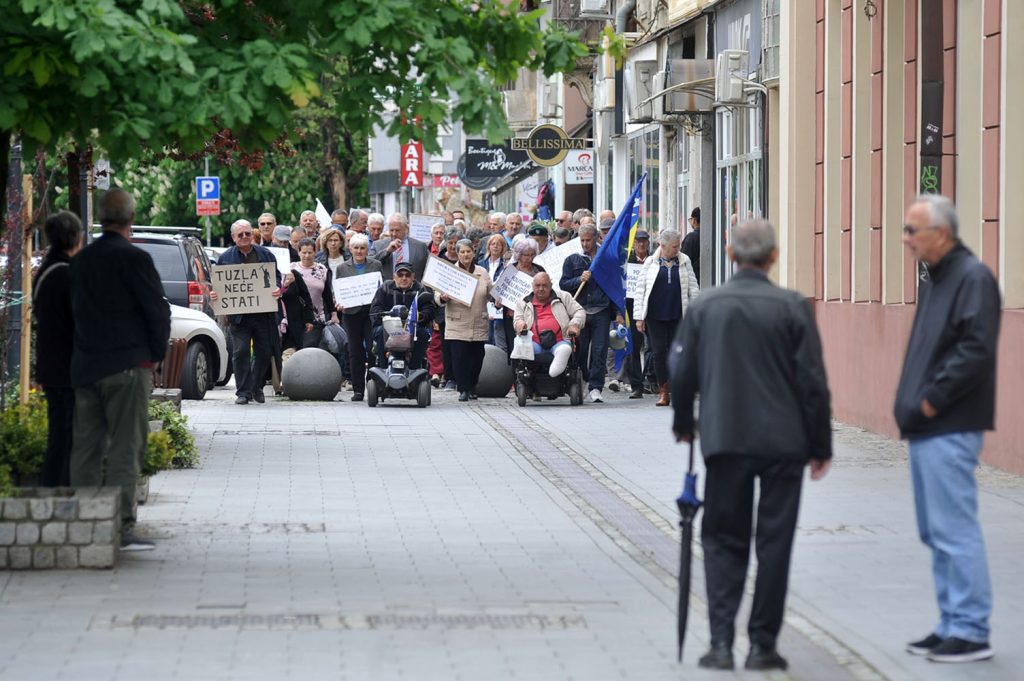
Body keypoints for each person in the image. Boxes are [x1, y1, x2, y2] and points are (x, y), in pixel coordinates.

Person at [670, 219, 832, 672]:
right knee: (775, 543)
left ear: (729, 253)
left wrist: (685, 422)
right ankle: (763, 644)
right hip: (785, 443)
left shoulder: (707, 306)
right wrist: (820, 444)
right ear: (773, 256)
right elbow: (812, 381)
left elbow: (681, 372)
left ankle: (721, 642)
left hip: (726, 439)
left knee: (723, 539)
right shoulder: (792, 306)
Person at [894, 195, 1001, 663]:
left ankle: (972, 628)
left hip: (950, 425)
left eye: (913, 231)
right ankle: (950, 622)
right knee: (935, 530)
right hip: (927, 427)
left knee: (954, 528)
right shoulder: (938, 278)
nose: (906, 240)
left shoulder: (972, 278)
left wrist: (932, 400)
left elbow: (975, 351)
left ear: (942, 233)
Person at [70, 189, 171, 551]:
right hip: (127, 365)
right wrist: (156, 355)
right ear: (130, 218)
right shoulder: (134, 258)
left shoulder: (80, 260)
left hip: (86, 365)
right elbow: (157, 311)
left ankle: (83, 520)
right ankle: (121, 524)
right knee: (126, 446)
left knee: (85, 445)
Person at [33, 210, 83, 487]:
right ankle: (58, 489)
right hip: (68, 367)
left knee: (59, 433)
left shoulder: (46, 272)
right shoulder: (66, 274)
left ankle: (52, 487)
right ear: (75, 238)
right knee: (66, 436)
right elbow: (80, 322)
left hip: (51, 364)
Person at [216, 219, 283, 405]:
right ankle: (243, 392)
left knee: (263, 352)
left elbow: (276, 277)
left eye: (247, 233)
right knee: (240, 351)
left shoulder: (266, 254)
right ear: (233, 237)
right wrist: (217, 295)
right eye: (240, 235)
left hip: (263, 315)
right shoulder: (225, 258)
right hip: (239, 317)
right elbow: (220, 285)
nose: (245, 237)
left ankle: (257, 387)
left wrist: (278, 288)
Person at [560, 224, 624, 403]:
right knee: (579, 350)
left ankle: (596, 387)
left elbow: (614, 289)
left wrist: (618, 312)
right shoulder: (572, 260)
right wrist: (578, 279)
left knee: (600, 349)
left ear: (596, 239)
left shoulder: (606, 260)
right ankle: (582, 378)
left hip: (601, 310)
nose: (585, 244)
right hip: (580, 311)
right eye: (582, 240)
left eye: (588, 240)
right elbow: (563, 284)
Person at [634, 229, 699, 406]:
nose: (677, 249)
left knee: (678, 351)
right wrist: (639, 317)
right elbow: (640, 290)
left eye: (678, 246)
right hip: (655, 315)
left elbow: (693, 288)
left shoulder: (684, 261)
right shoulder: (650, 262)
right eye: (674, 246)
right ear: (662, 246)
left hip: (678, 313)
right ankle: (664, 390)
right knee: (659, 352)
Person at [436, 239, 493, 401]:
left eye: (468, 251)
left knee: (477, 357)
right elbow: (437, 296)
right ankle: (463, 389)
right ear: (458, 254)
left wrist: (497, 298)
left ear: (473, 253)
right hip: (457, 322)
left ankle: (473, 385)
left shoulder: (482, 272)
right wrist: (443, 297)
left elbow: (490, 292)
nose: (466, 254)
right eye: (462, 252)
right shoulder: (450, 272)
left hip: (478, 321)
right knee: (459, 358)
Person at [335, 234, 383, 401]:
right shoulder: (342, 268)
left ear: (367, 249)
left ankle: (373, 385)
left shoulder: (376, 265)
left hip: (371, 313)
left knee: (373, 349)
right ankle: (358, 390)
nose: (359, 251)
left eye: (362, 248)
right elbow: (339, 291)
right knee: (355, 352)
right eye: (356, 248)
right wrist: (339, 303)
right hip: (351, 314)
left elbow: (381, 288)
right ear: (350, 249)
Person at [513, 273, 585, 378]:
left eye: (544, 285)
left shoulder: (563, 297)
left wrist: (574, 324)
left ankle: (554, 372)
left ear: (551, 285)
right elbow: (517, 319)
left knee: (565, 349)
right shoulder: (523, 302)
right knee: (520, 347)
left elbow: (579, 311)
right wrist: (519, 324)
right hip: (533, 342)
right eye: (537, 285)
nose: (541, 289)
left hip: (559, 341)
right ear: (532, 286)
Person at [369, 261, 435, 371]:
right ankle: (383, 367)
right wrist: (387, 316)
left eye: (407, 275)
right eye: (400, 275)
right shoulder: (385, 288)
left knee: (422, 333)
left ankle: (415, 368)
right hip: (389, 326)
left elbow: (429, 310)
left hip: (413, 327)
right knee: (379, 332)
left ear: (413, 276)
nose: (404, 278)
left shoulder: (421, 290)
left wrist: (419, 316)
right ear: (394, 276)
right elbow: (375, 309)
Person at [620, 229, 651, 399]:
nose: (641, 244)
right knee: (633, 348)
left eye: (644, 241)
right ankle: (636, 385)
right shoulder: (627, 261)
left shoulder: (654, 260)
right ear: (634, 244)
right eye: (638, 241)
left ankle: (652, 380)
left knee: (654, 348)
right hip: (632, 310)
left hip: (653, 310)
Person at [374, 212, 429, 280]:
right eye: (391, 230)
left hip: (413, 289)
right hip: (387, 288)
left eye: (397, 230)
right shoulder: (378, 245)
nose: (394, 234)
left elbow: (427, 272)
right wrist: (387, 251)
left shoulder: (420, 247)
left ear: (406, 229)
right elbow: (370, 265)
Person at [479, 234, 509, 351]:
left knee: (498, 332)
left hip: (498, 302)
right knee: (485, 333)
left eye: (499, 244)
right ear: (488, 246)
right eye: (493, 244)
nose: (495, 247)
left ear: (503, 247)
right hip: (484, 301)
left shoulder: (506, 265)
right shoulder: (481, 263)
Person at [681, 207, 701, 284]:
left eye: (691, 219)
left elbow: (683, 261)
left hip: (693, 280)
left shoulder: (691, 237)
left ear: (694, 220)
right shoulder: (712, 237)